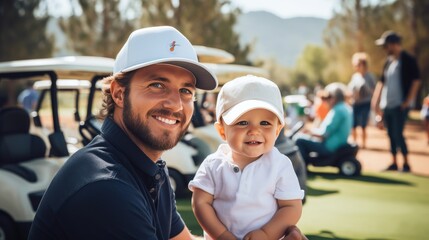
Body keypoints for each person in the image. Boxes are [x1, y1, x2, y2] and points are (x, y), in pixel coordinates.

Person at [29, 26, 307, 240]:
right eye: (157, 85)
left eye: (186, 90)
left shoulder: (147, 168)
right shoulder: (106, 188)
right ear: (119, 93)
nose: (176, 104)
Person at [189, 75, 304, 240]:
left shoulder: (280, 165)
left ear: (277, 131)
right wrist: (221, 235)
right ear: (222, 131)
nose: (254, 131)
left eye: (265, 123)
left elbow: (291, 207)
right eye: (242, 123)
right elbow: (200, 203)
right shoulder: (213, 164)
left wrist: (266, 233)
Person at [371, 31, 421, 172]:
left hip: (399, 105)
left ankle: (406, 164)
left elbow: (416, 82)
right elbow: (381, 83)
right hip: (387, 105)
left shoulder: (408, 60)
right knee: (391, 135)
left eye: (386, 46)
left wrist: (407, 101)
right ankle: (394, 163)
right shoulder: (388, 62)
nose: (385, 49)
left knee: (399, 134)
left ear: (394, 45)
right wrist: (376, 101)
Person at [295, 83, 352, 164]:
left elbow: (324, 134)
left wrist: (310, 131)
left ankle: (302, 167)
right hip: (338, 144)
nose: (326, 100)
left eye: (329, 97)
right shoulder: (345, 108)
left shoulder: (337, 110)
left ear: (334, 98)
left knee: (299, 140)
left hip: (329, 146)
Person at [348, 52, 376, 149]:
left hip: (365, 103)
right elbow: (350, 90)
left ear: (363, 64)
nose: (356, 67)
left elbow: (374, 91)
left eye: (358, 65)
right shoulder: (355, 76)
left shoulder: (369, 76)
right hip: (355, 103)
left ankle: (364, 144)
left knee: (363, 124)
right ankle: (354, 143)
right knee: (354, 124)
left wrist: (375, 103)